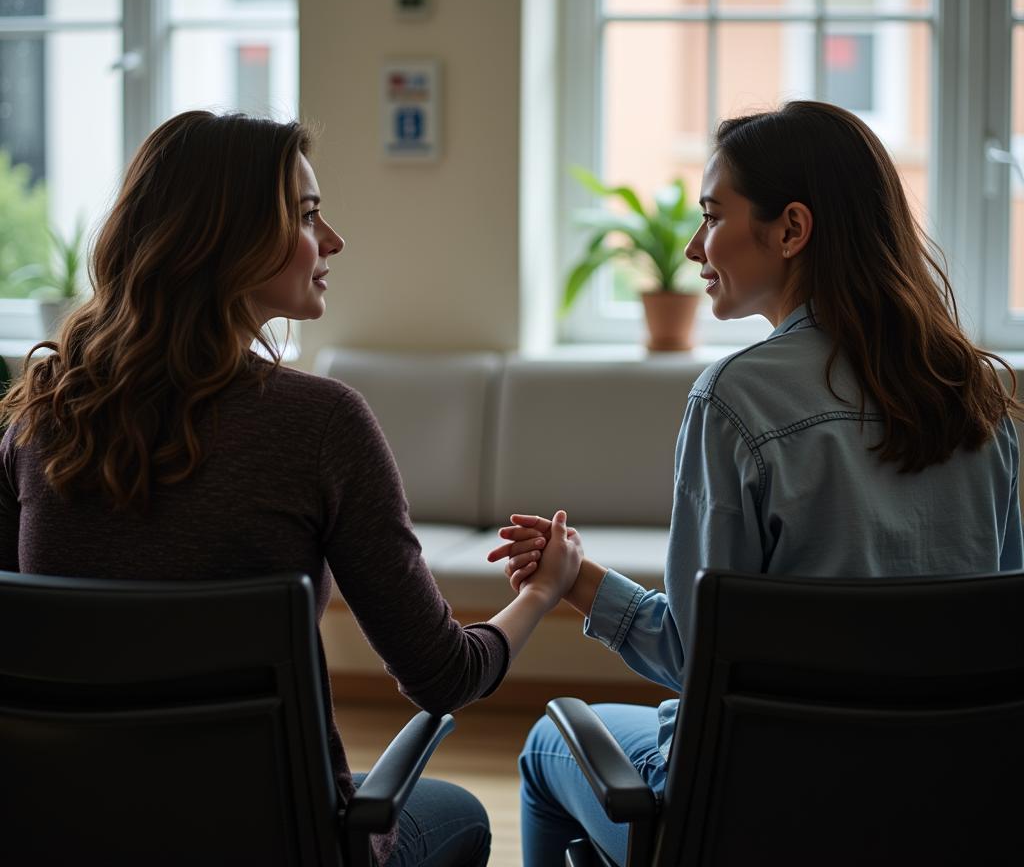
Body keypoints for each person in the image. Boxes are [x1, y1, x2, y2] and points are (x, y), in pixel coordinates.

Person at [0, 110, 581, 867]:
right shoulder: (318, 424)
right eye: (308, 215)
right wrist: (543, 589)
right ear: (226, 239)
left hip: (71, 833)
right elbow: (443, 675)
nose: (332, 240)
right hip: (273, 840)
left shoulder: (38, 415)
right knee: (459, 812)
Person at [488, 100, 1024, 867]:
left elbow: (699, 656)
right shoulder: (974, 392)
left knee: (548, 744)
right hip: (948, 806)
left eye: (713, 216)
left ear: (792, 229)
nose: (696, 246)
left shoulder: (734, 400)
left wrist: (576, 584)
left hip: (759, 813)